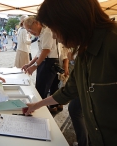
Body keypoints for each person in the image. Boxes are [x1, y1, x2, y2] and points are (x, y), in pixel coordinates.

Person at [25, 0, 117, 145]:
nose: (54, 36)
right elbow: (69, 90)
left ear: (71, 21)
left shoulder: (112, 44)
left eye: (55, 29)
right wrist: (37, 105)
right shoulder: (84, 51)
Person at [22, 16, 58, 101]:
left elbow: (46, 51)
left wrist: (34, 66)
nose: (30, 32)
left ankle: (40, 110)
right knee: (48, 88)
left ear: (36, 23)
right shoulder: (42, 32)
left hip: (49, 62)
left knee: (41, 89)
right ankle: (51, 107)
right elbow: (40, 52)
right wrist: (29, 64)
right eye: (28, 31)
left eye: (30, 28)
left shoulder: (46, 31)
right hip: (46, 61)